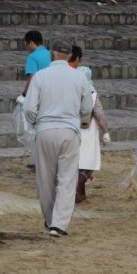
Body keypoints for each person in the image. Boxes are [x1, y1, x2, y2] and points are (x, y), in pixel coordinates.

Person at [23, 39, 94, 235]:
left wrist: (37, 121)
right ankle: (59, 224)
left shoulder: (40, 76)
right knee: (67, 178)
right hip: (69, 129)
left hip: (45, 129)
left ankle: (49, 218)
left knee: (45, 179)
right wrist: (79, 118)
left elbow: (29, 108)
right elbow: (87, 107)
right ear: (70, 55)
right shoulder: (79, 77)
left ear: (52, 53)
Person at [70, 56, 111, 204]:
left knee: (74, 164)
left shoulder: (70, 92)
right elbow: (99, 114)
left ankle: (80, 194)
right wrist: (105, 131)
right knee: (88, 165)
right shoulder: (92, 94)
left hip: (72, 130)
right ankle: (79, 185)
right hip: (87, 132)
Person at [16, 30, 51, 104]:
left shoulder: (32, 57)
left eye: (26, 44)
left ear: (31, 43)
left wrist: (24, 94)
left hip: (39, 94)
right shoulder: (50, 54)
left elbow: (32, 78)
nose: (26, 47)